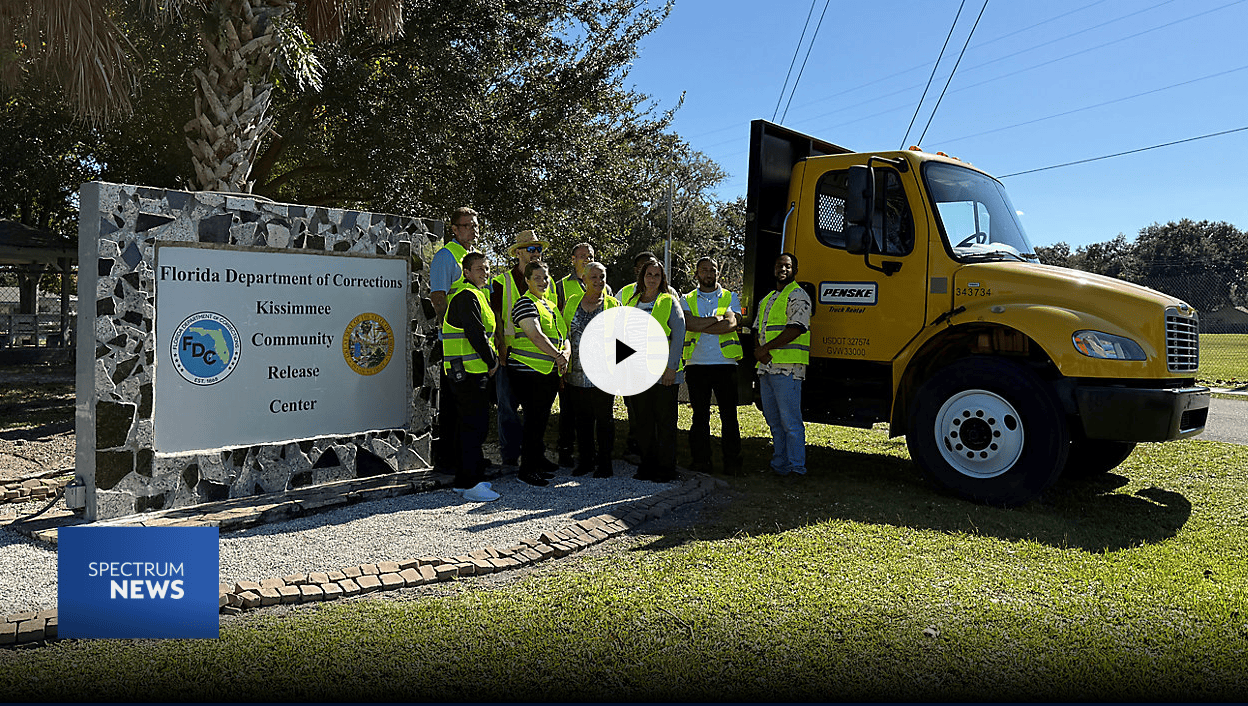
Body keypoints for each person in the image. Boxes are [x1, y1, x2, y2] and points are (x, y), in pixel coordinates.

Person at [490, 230, 554, 467]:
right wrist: (501, 346)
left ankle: (535, 455)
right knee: (507, 407)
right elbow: (496, 317)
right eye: (530, 249)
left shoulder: (546, 281)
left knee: (536, 412)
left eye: (538, 249)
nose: (536, 253)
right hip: (510, 356)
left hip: (539, 358)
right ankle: (509, 458)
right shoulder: (501, 281)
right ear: (518, 253)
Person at [441, 252, 500, 501]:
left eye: (486, 268)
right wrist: (493, 361)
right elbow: (476, 334)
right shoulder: (466, 296)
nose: (484, 272)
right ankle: (470, 483)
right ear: (466, 272)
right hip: (467, 373)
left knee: (469, 426)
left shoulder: (478, 295)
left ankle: (466, 479)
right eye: (478, 269)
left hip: (471, 372)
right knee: (473, 427)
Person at [507, 261, 570, 486]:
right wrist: (558, 356)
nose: (543, 282)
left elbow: (565, 336)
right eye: (537, 278)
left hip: (547, 372)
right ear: (527, 280)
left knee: (540, 421)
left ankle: (537, 461)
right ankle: (527, 470)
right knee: (533, 421)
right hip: (528, 372)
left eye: (545, 277)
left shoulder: (550, 305)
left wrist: (565, 354)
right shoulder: (525, 303)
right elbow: (535, 335)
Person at [624, 258, 685, 483]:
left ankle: (666, 468)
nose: (652, 279)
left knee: (665, 423)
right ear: (642, 277)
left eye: (657, 275)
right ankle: (647, 465)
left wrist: (671, 369)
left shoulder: (669, 301)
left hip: (663, 375)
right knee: (643, 422)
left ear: (662, 279)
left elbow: (678, 336)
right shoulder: (632, 302)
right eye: (649, 274)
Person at [680, 256, 743, 476]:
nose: (708, 274)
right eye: (704, 270)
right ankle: (701, 462)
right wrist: (716, 319)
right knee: (699, 416)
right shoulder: (686, 298)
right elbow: (689, 323)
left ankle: (732, 464)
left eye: (712, 270)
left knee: (729, 416)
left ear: (718, 272)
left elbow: (732, 324)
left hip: (725, 364)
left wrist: (701, 324)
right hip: (697, 364)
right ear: (696, 274)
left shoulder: (730, 296)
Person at [430, 207, 479, 475]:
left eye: (475, 224)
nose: (473, 229)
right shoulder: (445, 257)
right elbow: (438, 299)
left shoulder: (472, 258)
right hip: (454, 345)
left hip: (473, 344)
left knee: (469, 405)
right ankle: (449, 461)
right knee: (453, 405)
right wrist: (453, 327)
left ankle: (466, 457)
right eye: (467, 225)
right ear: (454, 229)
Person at [753, 253, 812, 477]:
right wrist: (759, 352)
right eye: (779, 266)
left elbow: (796, 328)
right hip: (767, 368)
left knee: (791, 423)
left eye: (787, 266)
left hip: (787, 369)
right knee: (774, 422)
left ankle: (797, 469)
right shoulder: (768, 299)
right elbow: (758, 329)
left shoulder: (798, 295)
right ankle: (780, 465)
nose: (783, 269)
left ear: (795, 270)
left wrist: (764, 349)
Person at [554, 242, 610, 467]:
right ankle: (576, 456)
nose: (586, 259)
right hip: (574, 367)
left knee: (602, 417)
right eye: (582, 256)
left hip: (601, 371)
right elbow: (560, 327)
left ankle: (603, 460)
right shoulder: (564, 292)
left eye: (591, 255)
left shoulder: (610, 297)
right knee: (575, 415)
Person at [561, 261, 619, 478]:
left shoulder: (613, 304)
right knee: (582, 420)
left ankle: (605, 463)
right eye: (593, 277)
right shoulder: (572, 302)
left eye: (602, 277)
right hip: (576, 373)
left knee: (604, 419)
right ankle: (585, 460)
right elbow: (564, 333)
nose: (599, 281)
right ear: (584, 279)